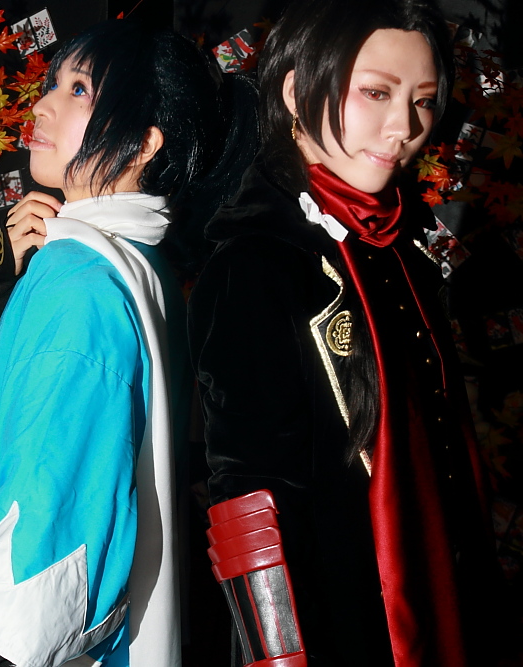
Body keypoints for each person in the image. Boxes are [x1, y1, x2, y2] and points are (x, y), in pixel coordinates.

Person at [0, 19, 256, 667]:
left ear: (142, 143)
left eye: (78, 90)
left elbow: (46, 539)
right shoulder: (139, 265)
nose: (41, 104)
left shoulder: (82, 285)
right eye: (52, 83)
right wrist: (0, 294)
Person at [187, 1, 501, 665]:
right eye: (377, 93)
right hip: (339, 628)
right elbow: (246, 498)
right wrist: (280, 656)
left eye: (422, 101)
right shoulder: (257, 262)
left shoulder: (398, 245)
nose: (404, 127)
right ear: (295, 91)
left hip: (440, 609)